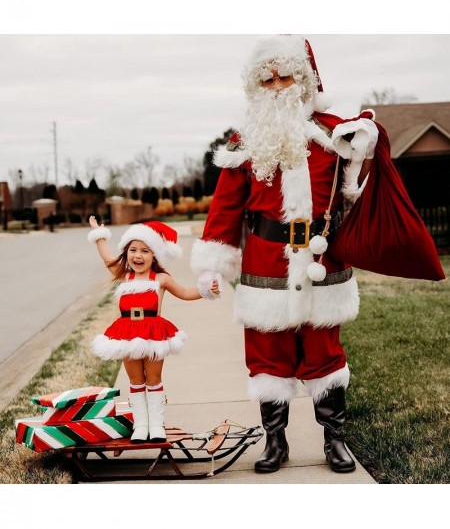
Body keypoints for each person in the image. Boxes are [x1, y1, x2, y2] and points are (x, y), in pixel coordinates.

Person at [191, 35, 444, 474]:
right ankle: (276, 441)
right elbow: (225, 207)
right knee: (267, 354)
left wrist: (367, 141)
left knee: (324, 350)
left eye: (286, 75)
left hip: (321, 258)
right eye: (267, 78)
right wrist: (213, 264)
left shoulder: (334, 130)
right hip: (265, 262)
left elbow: (355, 192)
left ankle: (334, 440)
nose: (277, 85)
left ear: (305, 80)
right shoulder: (245, 140)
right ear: (256, 85)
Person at [88, 217, 218, 443]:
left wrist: (205, 289)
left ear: (155, 255)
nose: (138, 256)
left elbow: (186, 293)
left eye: (145, 251)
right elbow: (108, 258)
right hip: (127, 334)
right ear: (127, 252)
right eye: (133, 250)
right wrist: (99, 235)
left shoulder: (161, 278)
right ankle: (141, 425)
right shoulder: (124, 274)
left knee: (154, 379)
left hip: (153, 334)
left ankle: (156, 425)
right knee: (136, 381)